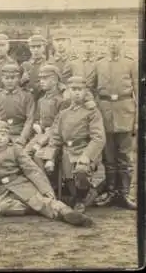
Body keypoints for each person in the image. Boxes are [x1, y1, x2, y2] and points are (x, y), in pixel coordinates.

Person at [0, 120, 94, 228]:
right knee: (3, 208)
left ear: (8, 136)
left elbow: (32, 170)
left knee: (43, 200)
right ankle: (39, 208)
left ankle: (68, 213)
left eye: (3, 135)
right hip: (1, 191)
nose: (0, 138)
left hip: (21, 185)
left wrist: (46, 190)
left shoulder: (16, 150)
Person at [44, 76, 106, 213]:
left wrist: (87, 156)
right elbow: (55, 138)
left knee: (81, 170)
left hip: (84, 149)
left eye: (80, 90)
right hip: (67, 151)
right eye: (73, 89)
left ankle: (81, 200)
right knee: (69, 181)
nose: (77, 93)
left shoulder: (92, 112)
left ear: (85, 92)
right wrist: (50, 158)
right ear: (68, 92)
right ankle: (84, 193)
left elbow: (98, 138)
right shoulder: (63, 113)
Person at [94, 25, 137, 209]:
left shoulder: (131, 63)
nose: (113, 44)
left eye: (117, 40)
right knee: (109, 157)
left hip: (125, 113)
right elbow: (90, 88)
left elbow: (139, 92)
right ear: (105, 43)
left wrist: (138, 120)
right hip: (104, 114)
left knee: (125, 156)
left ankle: (125, 194)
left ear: (122, 42)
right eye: (110, 40)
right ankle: (111, 193)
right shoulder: (99, 64)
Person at [0, 64, 35, 147]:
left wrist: (23, 138)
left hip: (18, 134)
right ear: (2, 79)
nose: (9, 81)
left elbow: (30, 119)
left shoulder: (27, 96)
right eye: (6, 78)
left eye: (13, 78)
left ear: (18, 79)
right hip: (0, 133)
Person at [64, 31, 100, 97]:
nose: (88, 44)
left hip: (92, 97)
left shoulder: (99, 63)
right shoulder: (72, 63)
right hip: (75, 96)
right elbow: (64, 81)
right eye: (85, 42)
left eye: (91, 42)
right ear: (81, 44)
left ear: (95, 44)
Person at [20, 34, 48, 100]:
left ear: (43, 47)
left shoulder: (49, 64)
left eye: (38, 46)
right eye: (33, 47)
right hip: (27, 99)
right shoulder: (25, 65)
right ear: (30, 48)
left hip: (43, 98)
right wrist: (22, 80)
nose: (36, 49)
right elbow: (16, 84)